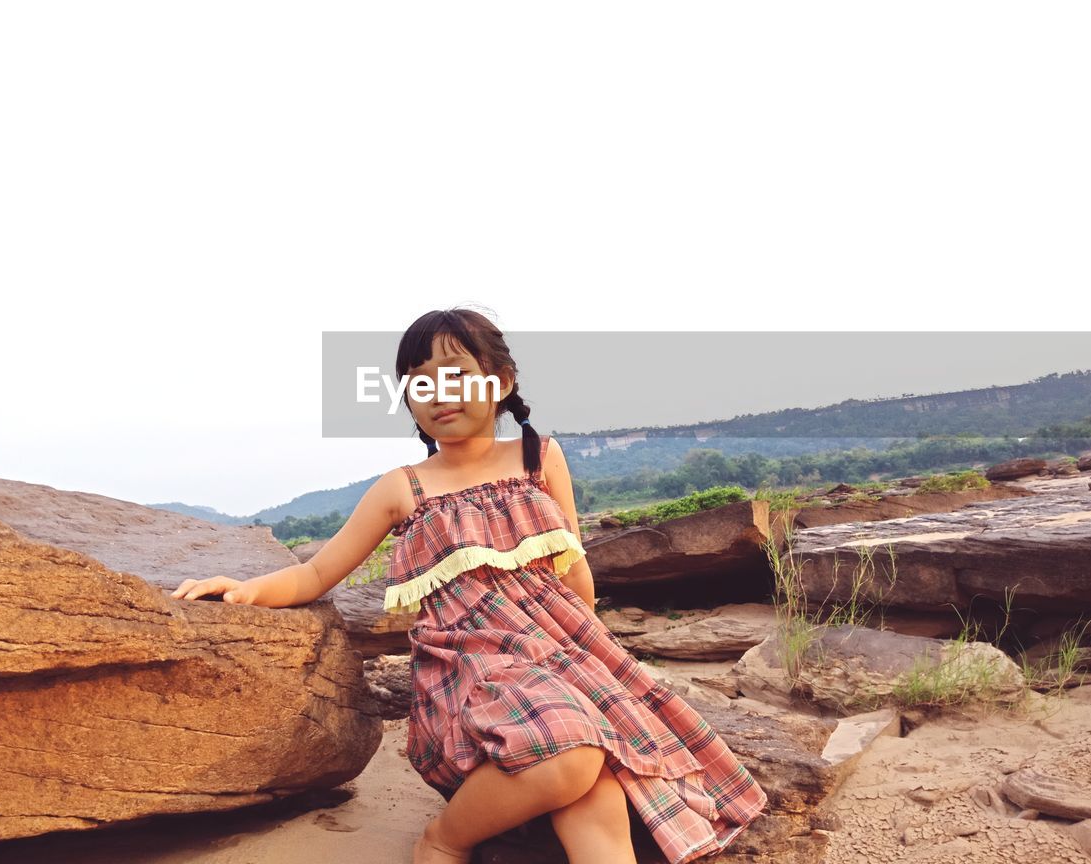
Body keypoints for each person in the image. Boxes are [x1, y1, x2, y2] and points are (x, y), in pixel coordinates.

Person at [170, 307, 769, 864]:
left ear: (500, 382)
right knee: (575, 751)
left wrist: (593, 657)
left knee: (600, 788)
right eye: (419, 383)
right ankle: (442, 842)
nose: (438, 395)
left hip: (559, 655)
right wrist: (245, 590)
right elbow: (318, 571)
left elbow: (573, 563)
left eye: (456, 375)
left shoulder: (540, 457)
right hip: (473, 667)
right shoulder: (404, 487)